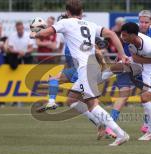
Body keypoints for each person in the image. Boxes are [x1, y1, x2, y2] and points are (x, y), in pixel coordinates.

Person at [30, 0, 130, 146]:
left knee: (92, 105)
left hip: (84, 69)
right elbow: (113, 35)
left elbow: (45, 33)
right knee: (71, 100)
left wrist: (34, 34)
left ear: (67, 12)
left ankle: (120, 134)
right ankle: (100, 123)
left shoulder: (66, 22)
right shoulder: (90, 25)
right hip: (91, 67)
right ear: (82, 12)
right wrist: (122, 55)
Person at [107, 10, 151, 136]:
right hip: (127, 65)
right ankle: (110, 126)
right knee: (125, 96)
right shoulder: (131, 31)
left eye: (146, 22)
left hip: (139, 67)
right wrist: (120, 56)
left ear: (150, 23)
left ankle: (146, 124)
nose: (143, 24)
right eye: (141, 22)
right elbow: (121, 46)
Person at [120, 22, 151, 140]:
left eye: (124, 35)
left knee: (144, 97)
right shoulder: (130, 44)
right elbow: (137, 58)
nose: (122, 38)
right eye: (122, 35)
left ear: (133, 35)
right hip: (146, 61)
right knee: (116, 66)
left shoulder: (150, 46)